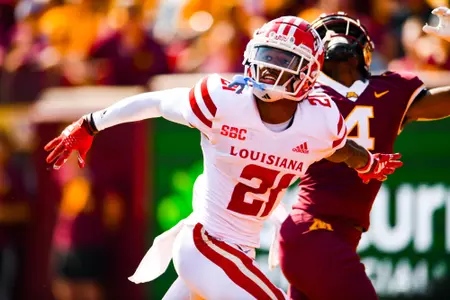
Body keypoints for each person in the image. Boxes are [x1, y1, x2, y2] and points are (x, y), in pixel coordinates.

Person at [44, 16, 401, 300]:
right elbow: (154, 102)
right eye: (266, 55)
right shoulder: (224, 101)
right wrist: (90, 124)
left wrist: (368, 164)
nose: (270, 68)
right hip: (204, 242)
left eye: (283, 60)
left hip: (238, 250)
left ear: (309, 70)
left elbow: (339, 148)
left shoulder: (319, 119)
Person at [278, 8, 450, 300]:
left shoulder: (391, 90)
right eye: (327, 34)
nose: (335, 36)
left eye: (345, 32)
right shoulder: (304, 98)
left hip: (337, 237)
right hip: (314, 231)